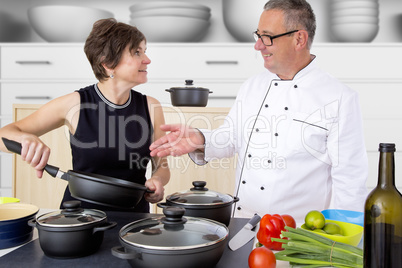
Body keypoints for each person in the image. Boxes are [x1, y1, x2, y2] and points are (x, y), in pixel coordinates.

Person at [150, 0, 368, 222]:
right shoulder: (252, 86)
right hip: (243, 224)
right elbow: (232, 137)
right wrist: (200, 139)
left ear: (299, 39)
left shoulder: (339, 98)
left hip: (299, 236)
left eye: (268, 37)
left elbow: (350, 181)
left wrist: (340, 244)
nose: (258, 46)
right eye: (258, 35)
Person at [0, 18, 170, 212]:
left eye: (145, 51)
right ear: (108, 63)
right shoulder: (74, 104)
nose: (147, 60)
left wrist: (157, 180)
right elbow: (3, 135)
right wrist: (25, 138)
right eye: (137, 52)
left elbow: (162, 166)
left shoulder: (151, 106)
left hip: (135, 219)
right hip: (80, 220)